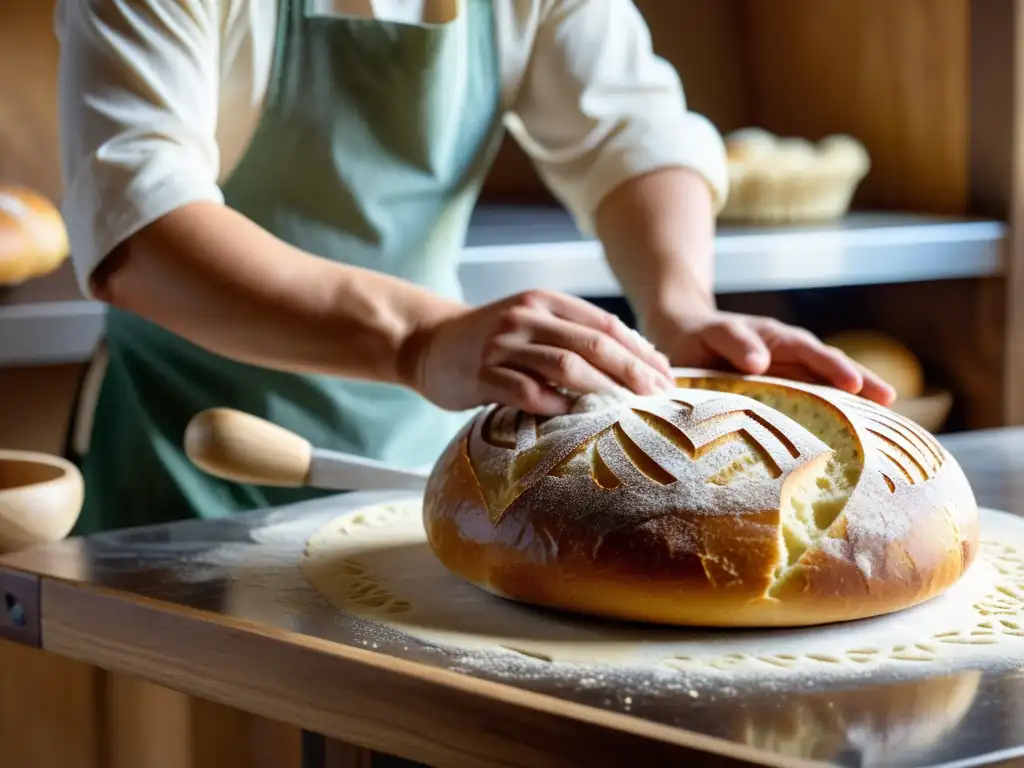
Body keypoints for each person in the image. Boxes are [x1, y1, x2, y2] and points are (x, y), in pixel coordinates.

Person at [56, 0, 893, 535]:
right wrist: (422, 341)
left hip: (420, 468)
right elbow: (142, 226)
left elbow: (633, 132)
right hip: (191, 469)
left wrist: (680, 309)